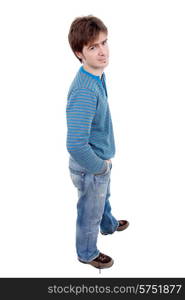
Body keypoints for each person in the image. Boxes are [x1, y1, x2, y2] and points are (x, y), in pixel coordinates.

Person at [66, 15, 129, 269]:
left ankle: (109, 224)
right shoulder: (84, 90)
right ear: (79, 53)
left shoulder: (97, 75)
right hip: (90, 166)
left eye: (104, 43)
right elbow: (76, 144)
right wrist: (101, 166)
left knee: (104, 198)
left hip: (100, 159)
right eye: (93, 47)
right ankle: (87, 252)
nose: (103, 52)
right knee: (89, 212)